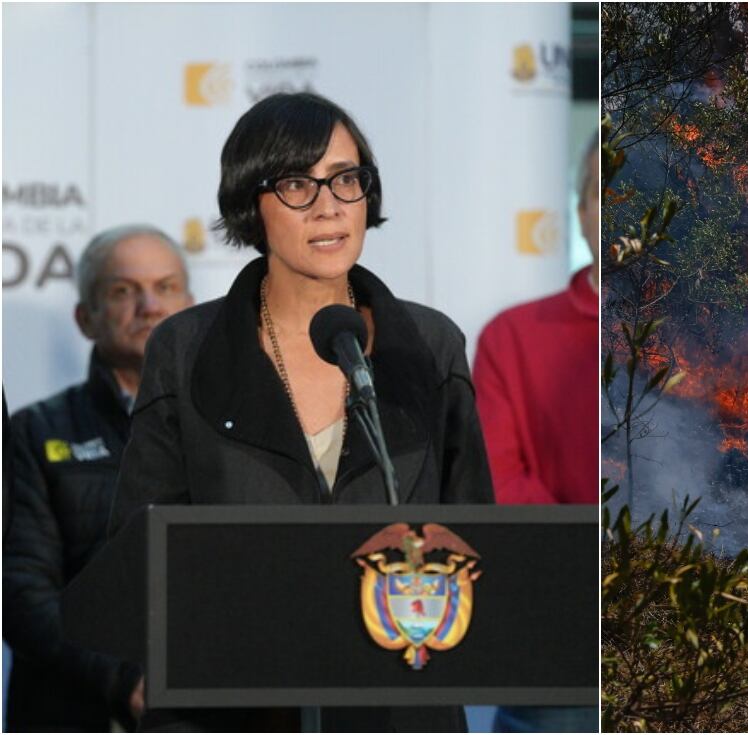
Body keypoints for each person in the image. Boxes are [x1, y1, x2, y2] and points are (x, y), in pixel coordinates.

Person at [106, 92, 493, 731]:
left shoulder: (428, 345)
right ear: (249, 207)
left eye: (346, 179)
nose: (329, 207)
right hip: (234, 707)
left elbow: (475, 537)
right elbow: (138, 548)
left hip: (397, 707)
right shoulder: (187, 350)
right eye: (295, 184)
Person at [3, 225, 194, 731]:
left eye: (166, 287)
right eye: (123, 291)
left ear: (192, 307)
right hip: (78, 711)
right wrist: (122, 681)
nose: (150, 306)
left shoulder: (235, 426)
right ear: (86, 318)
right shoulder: (33, 432)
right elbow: (20, 590)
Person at [473, 138, 598, 732]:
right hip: (560, 649)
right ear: (581, 211)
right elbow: (500, 483)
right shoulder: (513, 337)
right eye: (605, 190)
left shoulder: (718, 353)